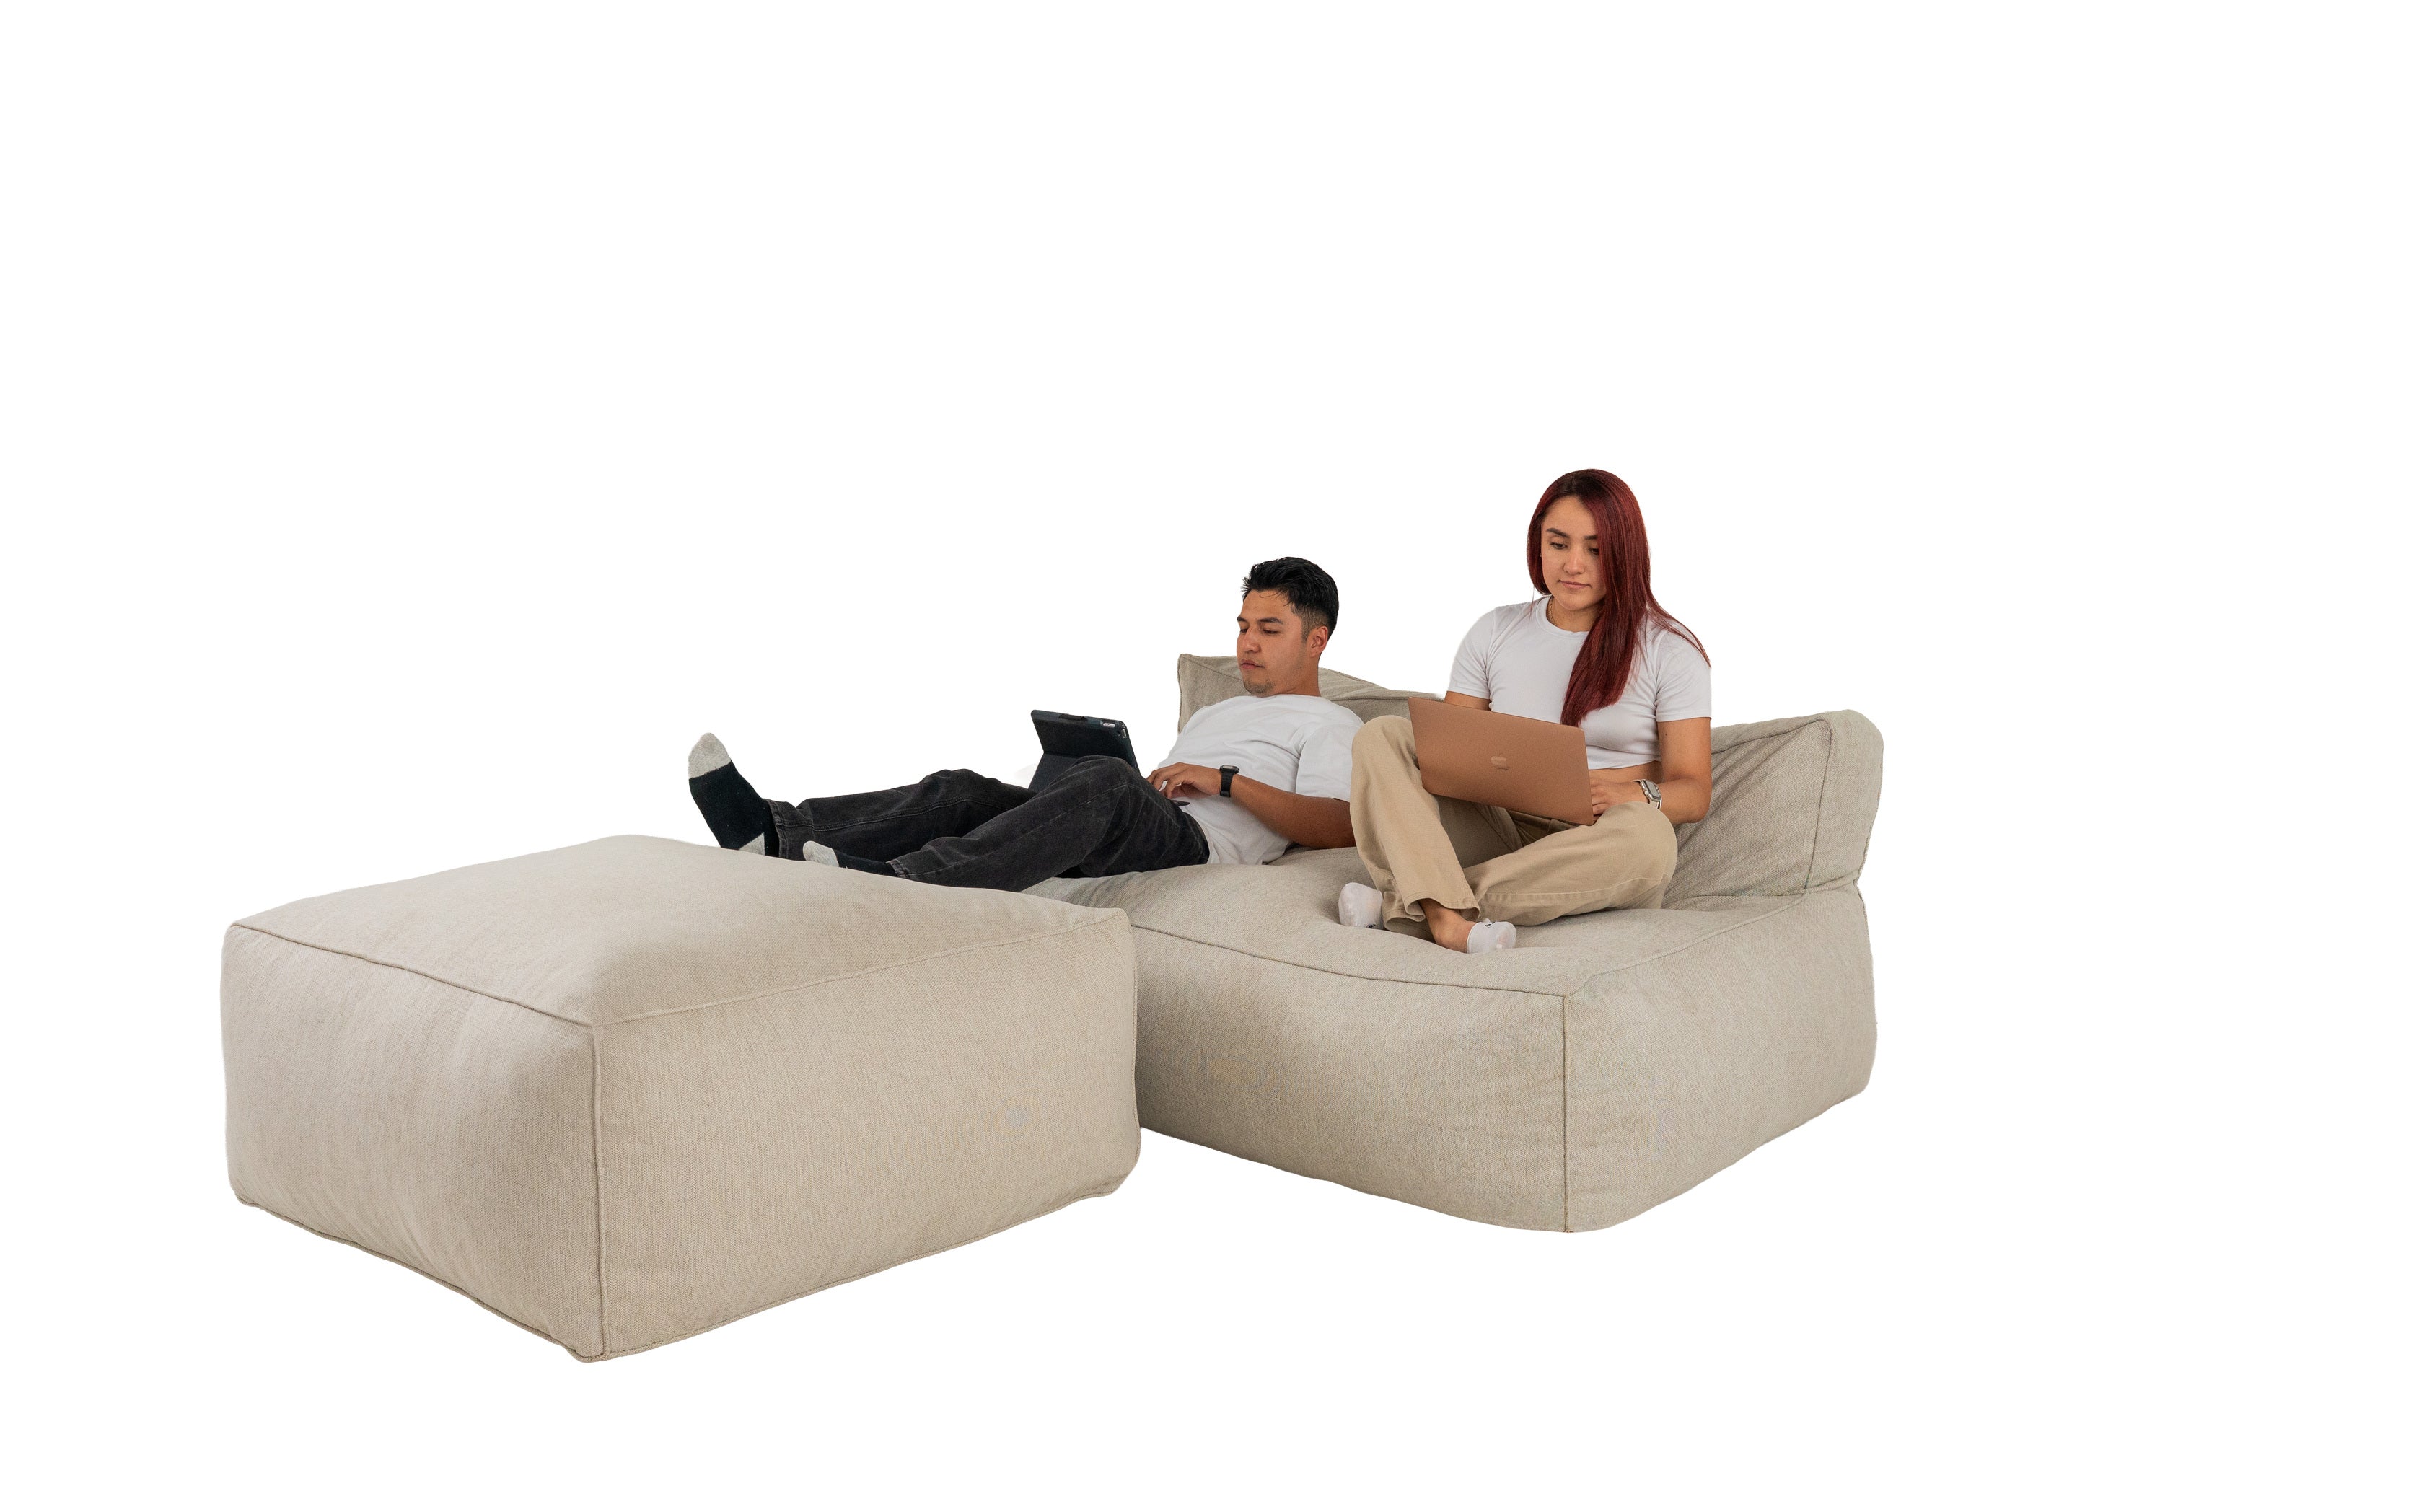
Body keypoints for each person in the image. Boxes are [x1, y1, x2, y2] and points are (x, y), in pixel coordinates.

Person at [686, 558, 1361, 892]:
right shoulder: (1218, 709)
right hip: (1141, 819)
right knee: (965, 789)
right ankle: (776, 832)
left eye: (1268, 629)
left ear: (1316, 640)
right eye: (1242, 626)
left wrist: (1224, 781)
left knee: (1107, 781)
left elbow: (1337, 826)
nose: (1247, 643)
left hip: (1196, 846)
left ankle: (909, 883)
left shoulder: (1332, 722)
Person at [1339, 470, 1713, 954]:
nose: (1573, 565)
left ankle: (1420, 905)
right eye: (1558, 544)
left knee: (1649, 839)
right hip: (1500, 823)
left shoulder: (1669, 650)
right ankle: (1444, 914)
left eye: (1596, 550)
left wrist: (1629, 792)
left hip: (1595, 838)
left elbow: (1694, 792)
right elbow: (1447, 756)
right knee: (1383, 735)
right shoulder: (1496, 630)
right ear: (1538, 545)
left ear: (1625, 554)